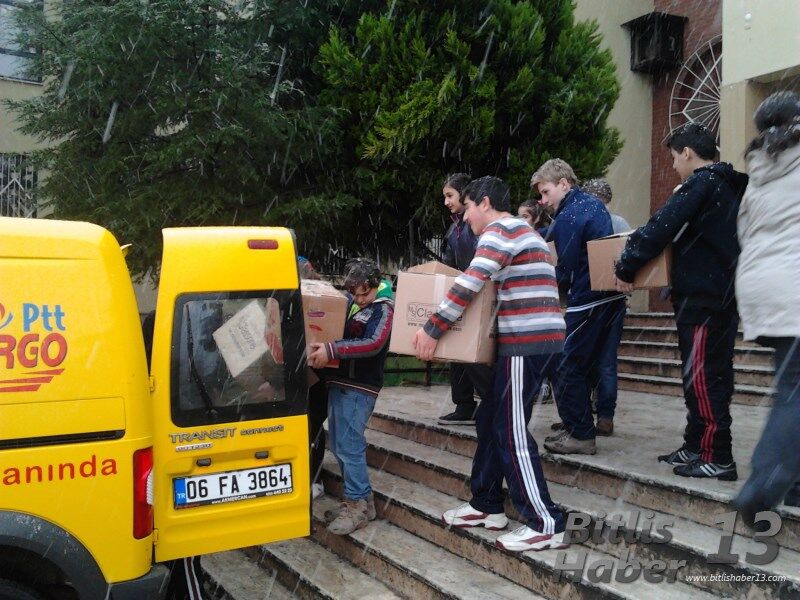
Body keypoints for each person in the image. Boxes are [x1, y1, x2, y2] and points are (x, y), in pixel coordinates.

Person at [413, 176, 569, 552]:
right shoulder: (522, 231)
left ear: (484, 203)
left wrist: (432, 329)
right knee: (490, 419)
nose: (465, 217)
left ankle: (546, 522)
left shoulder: (500, 230)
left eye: (467, 207)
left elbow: (471, 282)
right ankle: (486, 503)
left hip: (526, 343)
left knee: (510, 430)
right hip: (534, 341)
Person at [614, 123, 748, 480]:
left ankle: (716, 454)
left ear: (688, 153)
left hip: (705, 299)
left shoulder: (702, 183)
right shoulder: (727, 186)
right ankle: (696, 444)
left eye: (675, 158)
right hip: (717, 294)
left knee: (704, 377)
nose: (674, 166)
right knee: (705, 375)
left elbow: (660, 226)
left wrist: (626, 266)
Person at [732, 91, 800, 525]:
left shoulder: (759, 172)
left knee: (791, 385)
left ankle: (792, 483)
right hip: (793, 285)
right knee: (795, 392)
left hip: (762, 286)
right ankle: (764, 484)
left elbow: (745, 232)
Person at [531, 159, 626, 454]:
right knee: (586, 365)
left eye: (546, 192)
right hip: (608, 298)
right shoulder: (590, 204)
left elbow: (566, 267)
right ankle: (578, 424)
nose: (543, 200)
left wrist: (543, 286)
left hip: (587, 299)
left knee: (566, 364)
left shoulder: (571, 214)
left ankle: (581, 433)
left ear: (563, 184)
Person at [307, 258, 394, 535]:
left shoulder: (383, 309)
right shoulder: (357, 308)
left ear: (375, 285)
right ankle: (362, 502)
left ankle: (356, 506)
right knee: (341, 445)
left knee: (349, 446)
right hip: (341, 384)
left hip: (360, 388)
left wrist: (333, 350)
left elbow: (373, 343)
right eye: (355, 293)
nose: (359, 298)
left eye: (364, 293)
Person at [438, 173, 493, 425]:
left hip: (479, 294)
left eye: (450, 195)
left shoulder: (476, 226)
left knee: (473, 355)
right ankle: (464, 405)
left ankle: (492, 401)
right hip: (463, 292)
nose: (447, 202)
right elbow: (449, 263)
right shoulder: (455, 228)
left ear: (464, 193)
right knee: (457, 352)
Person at [580, 178, 630, 435]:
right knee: (605, 361)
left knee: (594, 361)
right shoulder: (620, 224)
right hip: (612, 300)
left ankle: (594, 415)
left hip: (596, 301)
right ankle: (602, 416)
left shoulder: (595, 222)